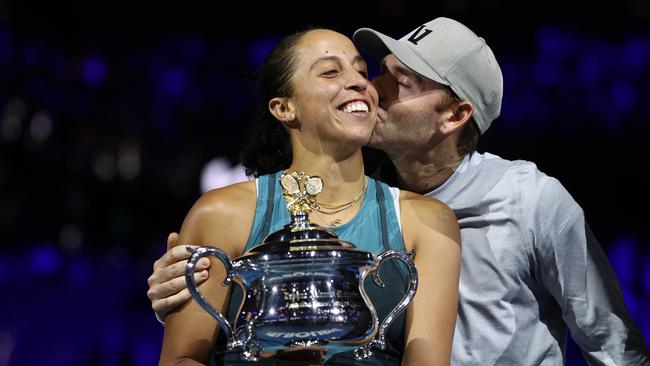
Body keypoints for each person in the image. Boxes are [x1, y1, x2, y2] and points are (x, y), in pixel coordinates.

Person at [149, 18, 650, 364]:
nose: (371, 88)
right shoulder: (358, 197)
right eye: (378, 72)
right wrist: (188, 287)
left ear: (454, 116)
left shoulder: (531, 199)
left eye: (401, 82)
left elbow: (610, 340)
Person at [155, 28, 461, 366]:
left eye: (361, 71)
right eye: (331, 71)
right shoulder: (220, 213)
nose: (360, 82)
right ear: (284, 108)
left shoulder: (429, 221)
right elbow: (181, 359)